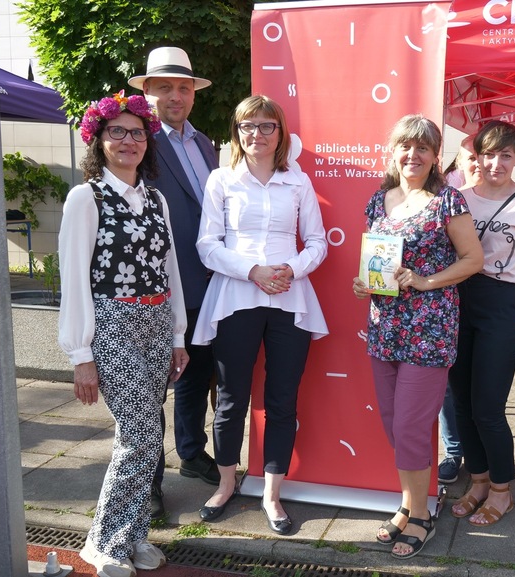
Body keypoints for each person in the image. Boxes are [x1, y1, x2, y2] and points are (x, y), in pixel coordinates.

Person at [59, 91, 188, 576]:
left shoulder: (156, 199)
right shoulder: (86, 197)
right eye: (117, 131)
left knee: (145, 436)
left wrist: (178, 336)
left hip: (156, 324)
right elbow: (74, 276)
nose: (128, 141)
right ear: (99, 138)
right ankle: (103, 544)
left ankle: (132, 536)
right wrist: (80, 353)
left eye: (137, 133)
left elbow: (170, 270)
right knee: (141, 435)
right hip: (112, 323)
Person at [192, 95, 328, 536]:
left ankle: (272, 494)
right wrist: (252, 271)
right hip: (236, 295)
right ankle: (226, 484)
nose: (257, 134)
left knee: (282, 400)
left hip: (289, 297)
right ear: (237, 132)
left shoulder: (298, 181)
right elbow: (207, 244)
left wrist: (293, 268)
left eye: (266, 125)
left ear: (280, 132)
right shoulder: (221, 179)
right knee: (231, 397)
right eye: (247, 126)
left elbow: (317, 242)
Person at [352, 114, 482, 559]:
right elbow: (374, 258)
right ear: (393, 152)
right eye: (405, 146)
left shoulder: (447, 201)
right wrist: (364, 282)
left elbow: (473, 259)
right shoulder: (378, 200)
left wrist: (426, 281)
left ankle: (422, 513)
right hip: (384, 327)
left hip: (429, 329)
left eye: (422, 147)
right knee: (394, 422)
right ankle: (409, 503)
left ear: (435, 155)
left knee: (410, 424)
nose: (413, 155)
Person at [129, 46, 221, 520]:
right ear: (147, 91)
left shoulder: (205, 144)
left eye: (183, 87)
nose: (175, 96)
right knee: (150, 389)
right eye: (164, 87)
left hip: (207, 283)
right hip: (159, 286)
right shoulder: (137, 141)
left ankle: (190, 452)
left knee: (195, 375)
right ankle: (147, 484)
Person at [449, 120, 515, 526]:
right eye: (488, 154)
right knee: (461, 404)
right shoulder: (456, 198)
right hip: (456, 304)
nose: (495, 163)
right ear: (476, 156)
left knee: (488, 407)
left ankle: (501, 490)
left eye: (505, 155)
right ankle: (477, 481)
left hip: (503, 306)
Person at [436, 133, 482, 485]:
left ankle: (480, 450)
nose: (479, 162)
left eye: (485, 155)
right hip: (444, 299)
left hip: (488, 302)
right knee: (448, 385)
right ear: (459, 162)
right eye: (472, 157)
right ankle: (454, 451)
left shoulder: (510, 197)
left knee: (481, 384)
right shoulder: (443, 196)